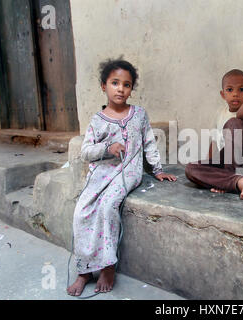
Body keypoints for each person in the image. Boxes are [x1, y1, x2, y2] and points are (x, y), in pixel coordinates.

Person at [67, 58, 177, 296]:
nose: (120, 88)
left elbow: (149, 142)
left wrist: (157, 170)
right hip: (102, 172)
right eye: (114, 83)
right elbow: (86, 152)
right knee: (82, 210)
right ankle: (84, 270)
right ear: (103, 86)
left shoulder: (138, 115)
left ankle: (108, 265)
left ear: (131, 89)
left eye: (126, 84)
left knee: (107, 207)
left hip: (128, 172)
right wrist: (108, 147)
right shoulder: (97, 120)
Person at [185, 68, 243, 200]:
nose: (235, 94)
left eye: (241, 90)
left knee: (233, 123)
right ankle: (238, 182)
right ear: (223, 94)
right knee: (191, 169)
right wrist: (211, 164)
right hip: (226, 164)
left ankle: (227, 179)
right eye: (230, 90)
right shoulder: (219, 113)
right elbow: (214, 143)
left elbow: (241, 116)